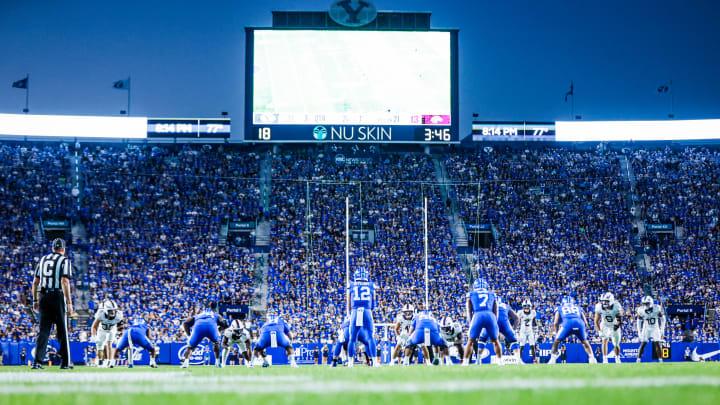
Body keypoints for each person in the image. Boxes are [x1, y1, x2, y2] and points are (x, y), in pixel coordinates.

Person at [31, 238, 74, 370]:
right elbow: (65, 282)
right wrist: (69, 302)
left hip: (43, 296)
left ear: (52, 248)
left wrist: (35, 300)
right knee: (62, 330)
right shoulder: (64, 261)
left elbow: (35, 282)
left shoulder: (43, 259)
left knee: (43, 330)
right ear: (63, 249)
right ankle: (65, 363)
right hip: (57, 295)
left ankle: (37, 362)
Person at [463, 277, 503, 366]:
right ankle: (500, 361)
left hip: (478, 314)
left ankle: (465, 362)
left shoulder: (471, 294)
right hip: (490, 315)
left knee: (470, 340)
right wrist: (495, 320)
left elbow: (469, 309)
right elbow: (496, 309)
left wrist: (470, 321)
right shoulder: (492, 294)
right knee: (495, 340)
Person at [346, 267, 380, 368]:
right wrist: (370, 309)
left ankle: (350, 363)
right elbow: (374, 301)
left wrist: (351, 311)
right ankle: (375, 362)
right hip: (367, 311)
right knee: (370, 337)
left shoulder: (351, 284)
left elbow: (348, 301)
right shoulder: (371, 284)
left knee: (352, 338)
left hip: (355, 311)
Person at [548, 295, 597, 364]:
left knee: (556, 341)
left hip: (567, 323)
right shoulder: (578, 307)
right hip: (580, 323)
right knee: (584, 342)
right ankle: (592, 359)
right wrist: (585, 330)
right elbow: (585, 321)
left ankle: (552, 359)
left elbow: (555, 322)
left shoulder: (559, 308)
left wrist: (556, 333)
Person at [181, 302, 228, 368]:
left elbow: (185, 323)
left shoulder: (198, 315)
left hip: (198, 327)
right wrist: (219, 331)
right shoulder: (216, 315)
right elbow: (225, 323)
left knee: (190, 347)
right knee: (216, 343)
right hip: (211, 327)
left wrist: (189, 335)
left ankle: (186, 362)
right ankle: (217, 362)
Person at [478, 296, 521, 363]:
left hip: (492, 322)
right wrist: (514, 330)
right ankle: (519, 360)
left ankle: (478, 360)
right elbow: (517, 318)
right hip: (504, 323)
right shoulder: (505, 306)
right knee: (513, 340)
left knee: (482, 340)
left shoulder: (488, 305)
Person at [91, 299, 123, 368]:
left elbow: (121, 326)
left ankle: (109, 361)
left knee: (109, 344)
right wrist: (94, 336)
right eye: (110, 310)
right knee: (100, 346)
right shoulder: (101, 314)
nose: (112, 312)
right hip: (102, 329)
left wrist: (121, 335)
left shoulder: (119, 315)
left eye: (114, 310)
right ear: (105, 310)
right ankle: (100, 360)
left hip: (112, 328)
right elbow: (94, 327)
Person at [594, 292, 623, 364]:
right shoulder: (599, 307)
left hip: (614, 324)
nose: (604, 303)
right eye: (603, 301)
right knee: (604, 340)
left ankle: (617, 358)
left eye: (606, 301)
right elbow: (596, 320)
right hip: (605, 324)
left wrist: (615, 327)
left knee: (616, 344)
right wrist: (599, 330)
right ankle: (605, 359)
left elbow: (620, 320)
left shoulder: (616, 306)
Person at [636, 295, 665, 363]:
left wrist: (662, 329)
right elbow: (639, 321)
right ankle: (638, 360)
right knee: (643, 343)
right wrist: (639, 331)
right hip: (646, 328)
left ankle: (660, 360)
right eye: (644, 304)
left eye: (647, 303)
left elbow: (662, 318)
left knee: (657, 343)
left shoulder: (656, 308)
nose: (645, 305)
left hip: (655, 327)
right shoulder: (641, 310)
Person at [517, 299, 538, 363]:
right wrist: (517, 331)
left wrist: (536, 331)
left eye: (527, 306)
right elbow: (517, 321)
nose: (526, 307)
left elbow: (534, 322)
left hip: (530, 331)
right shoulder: (520, 312)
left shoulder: (533, 312)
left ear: (530, 306)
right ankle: (520, 360)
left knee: (532, 346)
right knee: (521, 346)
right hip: (523, 332)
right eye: (525, 306)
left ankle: (534, 360)